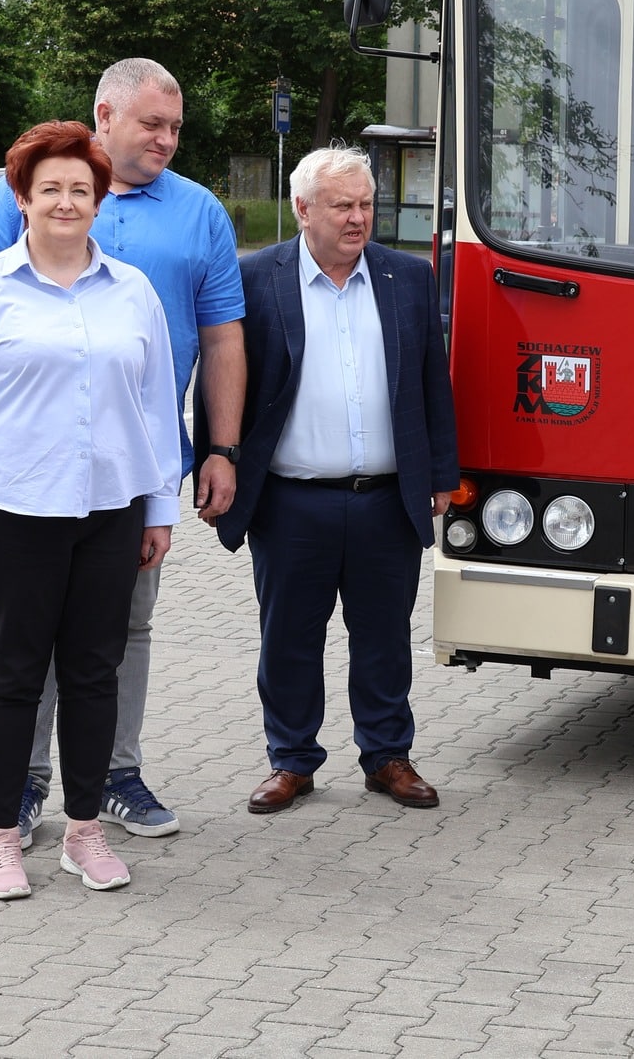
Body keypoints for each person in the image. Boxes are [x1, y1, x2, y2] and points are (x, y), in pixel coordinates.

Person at [0, 58, 246, 844]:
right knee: (27, 644)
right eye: (154, 123)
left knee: (120, 635)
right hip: (25, 486)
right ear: (105, 115)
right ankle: (24, 785)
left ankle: (113, 774)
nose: (169, 140)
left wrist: (222, 448)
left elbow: (220, 338)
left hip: (128, 476)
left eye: (177, 126)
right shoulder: (29, 192)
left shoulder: (200, 213)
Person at [0, 121, 182, 899]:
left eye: (80, 189)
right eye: (50, 189)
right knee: (13, 676)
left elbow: (158, 405)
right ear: (22, 199)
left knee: (95, 672)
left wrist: (159, 506)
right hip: (14, 509)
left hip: (111, 509)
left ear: (99, 201)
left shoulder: (131, 292)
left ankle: (83, 832)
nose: (66, 202)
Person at [201, 146, 457, 816]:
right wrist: (217, 457)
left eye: (366, 203)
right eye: (342, 205)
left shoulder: (408, 277)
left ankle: (387, 756)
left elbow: (433, 381)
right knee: (288, 635)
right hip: (292, 501)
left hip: (385, 496)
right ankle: (291, 760)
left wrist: (441, 473)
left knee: (385, 634)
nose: (358, 217)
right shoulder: (256, 278)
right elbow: (222, 378)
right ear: (302, 208)